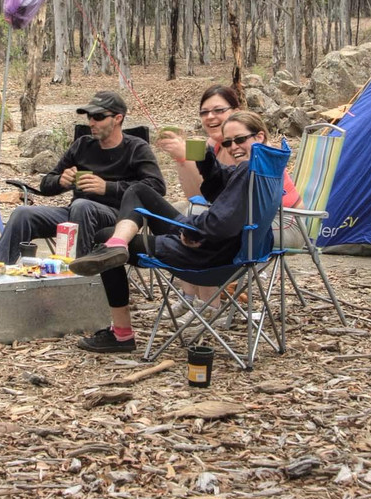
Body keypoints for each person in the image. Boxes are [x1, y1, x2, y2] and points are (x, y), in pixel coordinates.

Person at [70, 111, 277, 353]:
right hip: (228, 249)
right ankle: (119, 242)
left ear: (260, 136)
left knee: (101, 238)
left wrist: (194, 232)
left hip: (206, 255)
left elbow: (223, 222)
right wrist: (206, 157)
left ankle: (122, 334)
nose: (233, 148)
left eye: (240, 140)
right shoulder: (266, 167)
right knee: (138, 190)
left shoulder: (249, 170)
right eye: (228, 142)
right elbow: (220, 189)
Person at [153, 85, 302, 316]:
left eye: (218, 110)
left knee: (207, 231)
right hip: (245, 219)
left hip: (287, 220)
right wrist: (182, 160)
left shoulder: (255, 152)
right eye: (204, 112)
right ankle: (190, 296)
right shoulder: (215, 146)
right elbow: (197, 194)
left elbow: (224, 208)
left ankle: (210, 306)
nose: (210, 117)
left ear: (235, 110)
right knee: (184, 213)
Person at [0, 91, 166, 264]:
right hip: (75, 215)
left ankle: (79, 275)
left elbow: (156, 186)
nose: (92, 122)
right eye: (89, 116)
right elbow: (46, 185)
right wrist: (60, 180)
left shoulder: (136, 148)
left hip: (118, 218)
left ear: (118, 118)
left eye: (98, 117)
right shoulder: (82, 145)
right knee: (22, 213)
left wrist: (107, 187)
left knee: (82, 206)